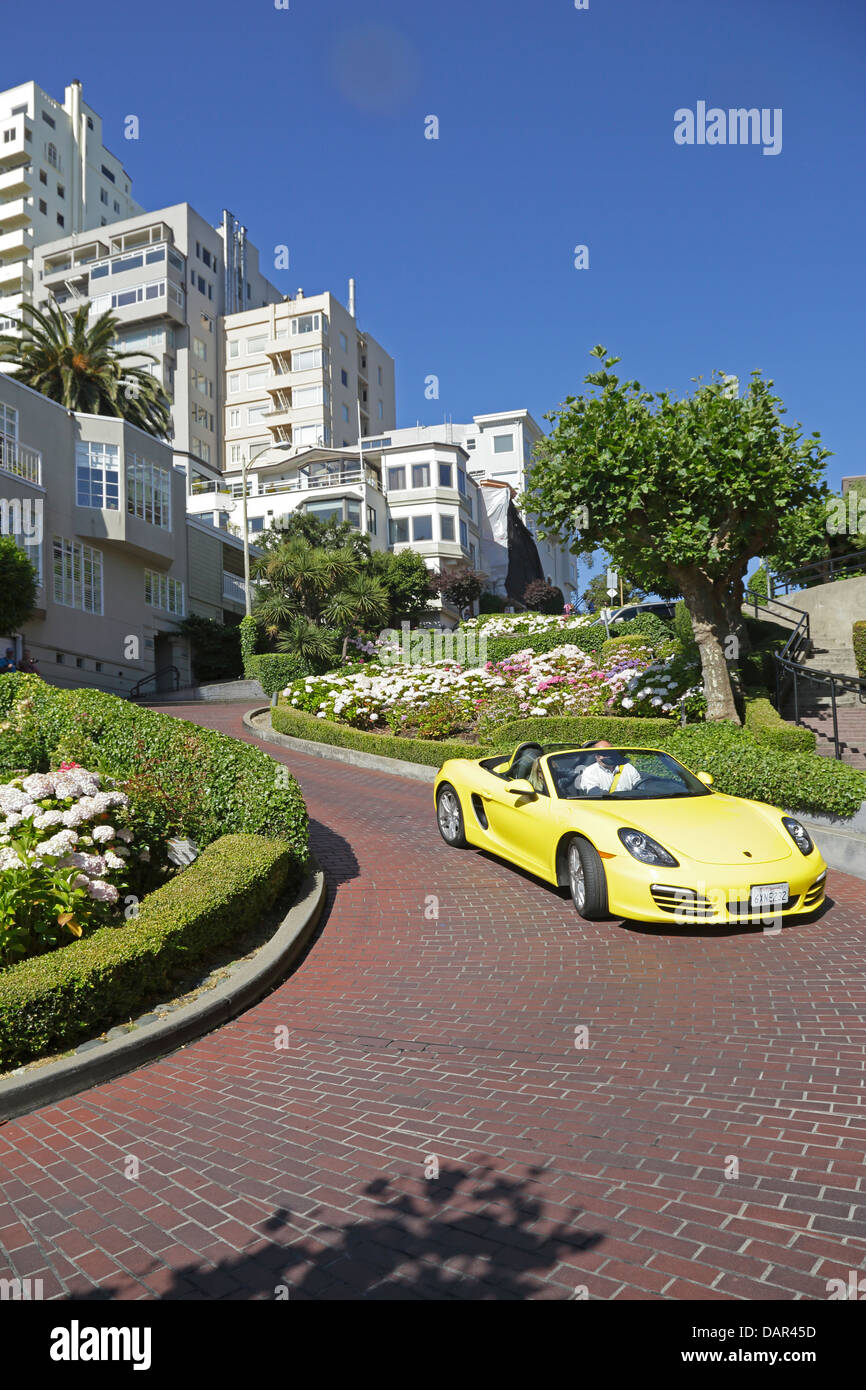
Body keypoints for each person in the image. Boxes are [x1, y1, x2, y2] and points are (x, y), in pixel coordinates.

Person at [575, 740, 642, 794]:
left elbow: (640, 787)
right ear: (596, 756)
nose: (608, 756)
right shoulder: (590, 772)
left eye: (609, 752)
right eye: (603, 753)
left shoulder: (627, 767)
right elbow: (594, 794)